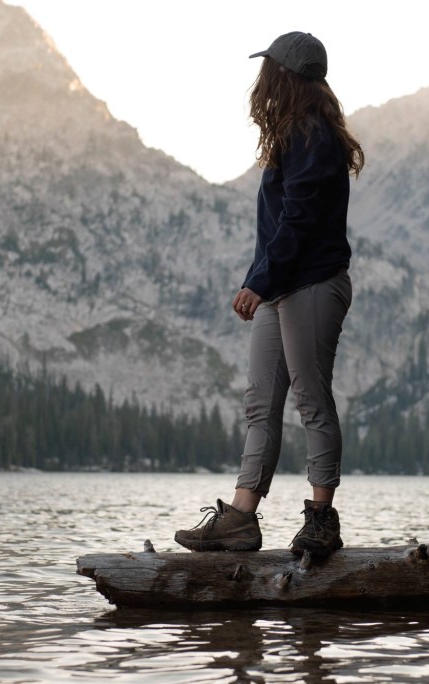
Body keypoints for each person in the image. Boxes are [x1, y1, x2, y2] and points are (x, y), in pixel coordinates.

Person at [175, 31, 363, 558]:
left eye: (270, 70)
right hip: (282, 285)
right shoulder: (295, 134)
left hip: (312, 284)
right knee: (261, 404)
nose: (262, 81)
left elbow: (300, 219)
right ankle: (240, 520)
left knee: (311, 399)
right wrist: (261, 277)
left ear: (287, 77)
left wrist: (260, 280)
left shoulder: (312, 134)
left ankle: (322, 519)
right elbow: (281, 222)